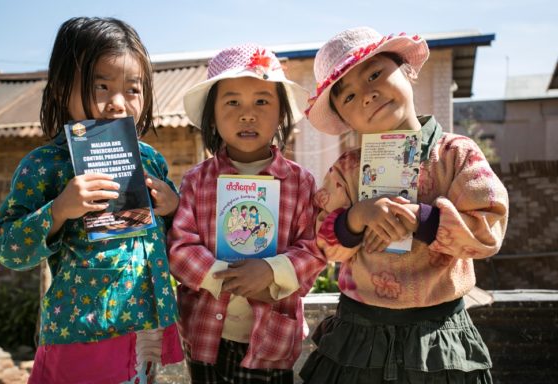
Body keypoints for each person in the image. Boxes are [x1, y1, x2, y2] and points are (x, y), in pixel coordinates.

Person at [299, 27, 509, 383]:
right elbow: (323, 245)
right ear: (344, 119)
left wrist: (424, 220)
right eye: (348, 96)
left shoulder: (457, 155)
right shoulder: (346, 172)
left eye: (375, 74)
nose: (366, 95)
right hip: (358, 338)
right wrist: (354, 219)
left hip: (439, 339)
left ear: (407, 70)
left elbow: (488, 231)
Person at [0, 17, 182, 383]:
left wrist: (174, 208)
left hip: (146, 328)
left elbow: (178, 238)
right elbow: (7, 249)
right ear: (63, 89)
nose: (118, 103)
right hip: (82, 333)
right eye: (101, 87)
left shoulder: (152, 160)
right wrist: (59, 210)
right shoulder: (44, 166)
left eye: (132, 89)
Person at [168, 44, 325, 384]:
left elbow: (314, 250)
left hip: (271, 343)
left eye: (262, 101)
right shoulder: (197, 180)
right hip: (205, 337)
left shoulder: (300, 183)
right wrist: (228, 276)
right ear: (212, 115)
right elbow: (180, 248)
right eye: (233, 101)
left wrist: (270, 272)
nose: (247, 114)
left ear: (282, 112)